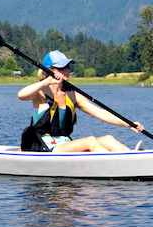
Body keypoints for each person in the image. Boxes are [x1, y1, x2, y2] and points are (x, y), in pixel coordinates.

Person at [17, 50, 145, 152]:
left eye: (67, 67)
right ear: (49, 70)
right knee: (90, 141)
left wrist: (127, 124)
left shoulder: (73, 96)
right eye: (61, 68)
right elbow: (21, 95)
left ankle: (133, 159)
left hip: (64, 145)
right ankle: (113, 163)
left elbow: (101, 113)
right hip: (42, 146)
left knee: (108, 139)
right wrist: (47, 81)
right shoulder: (40, 94)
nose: (66, 70)